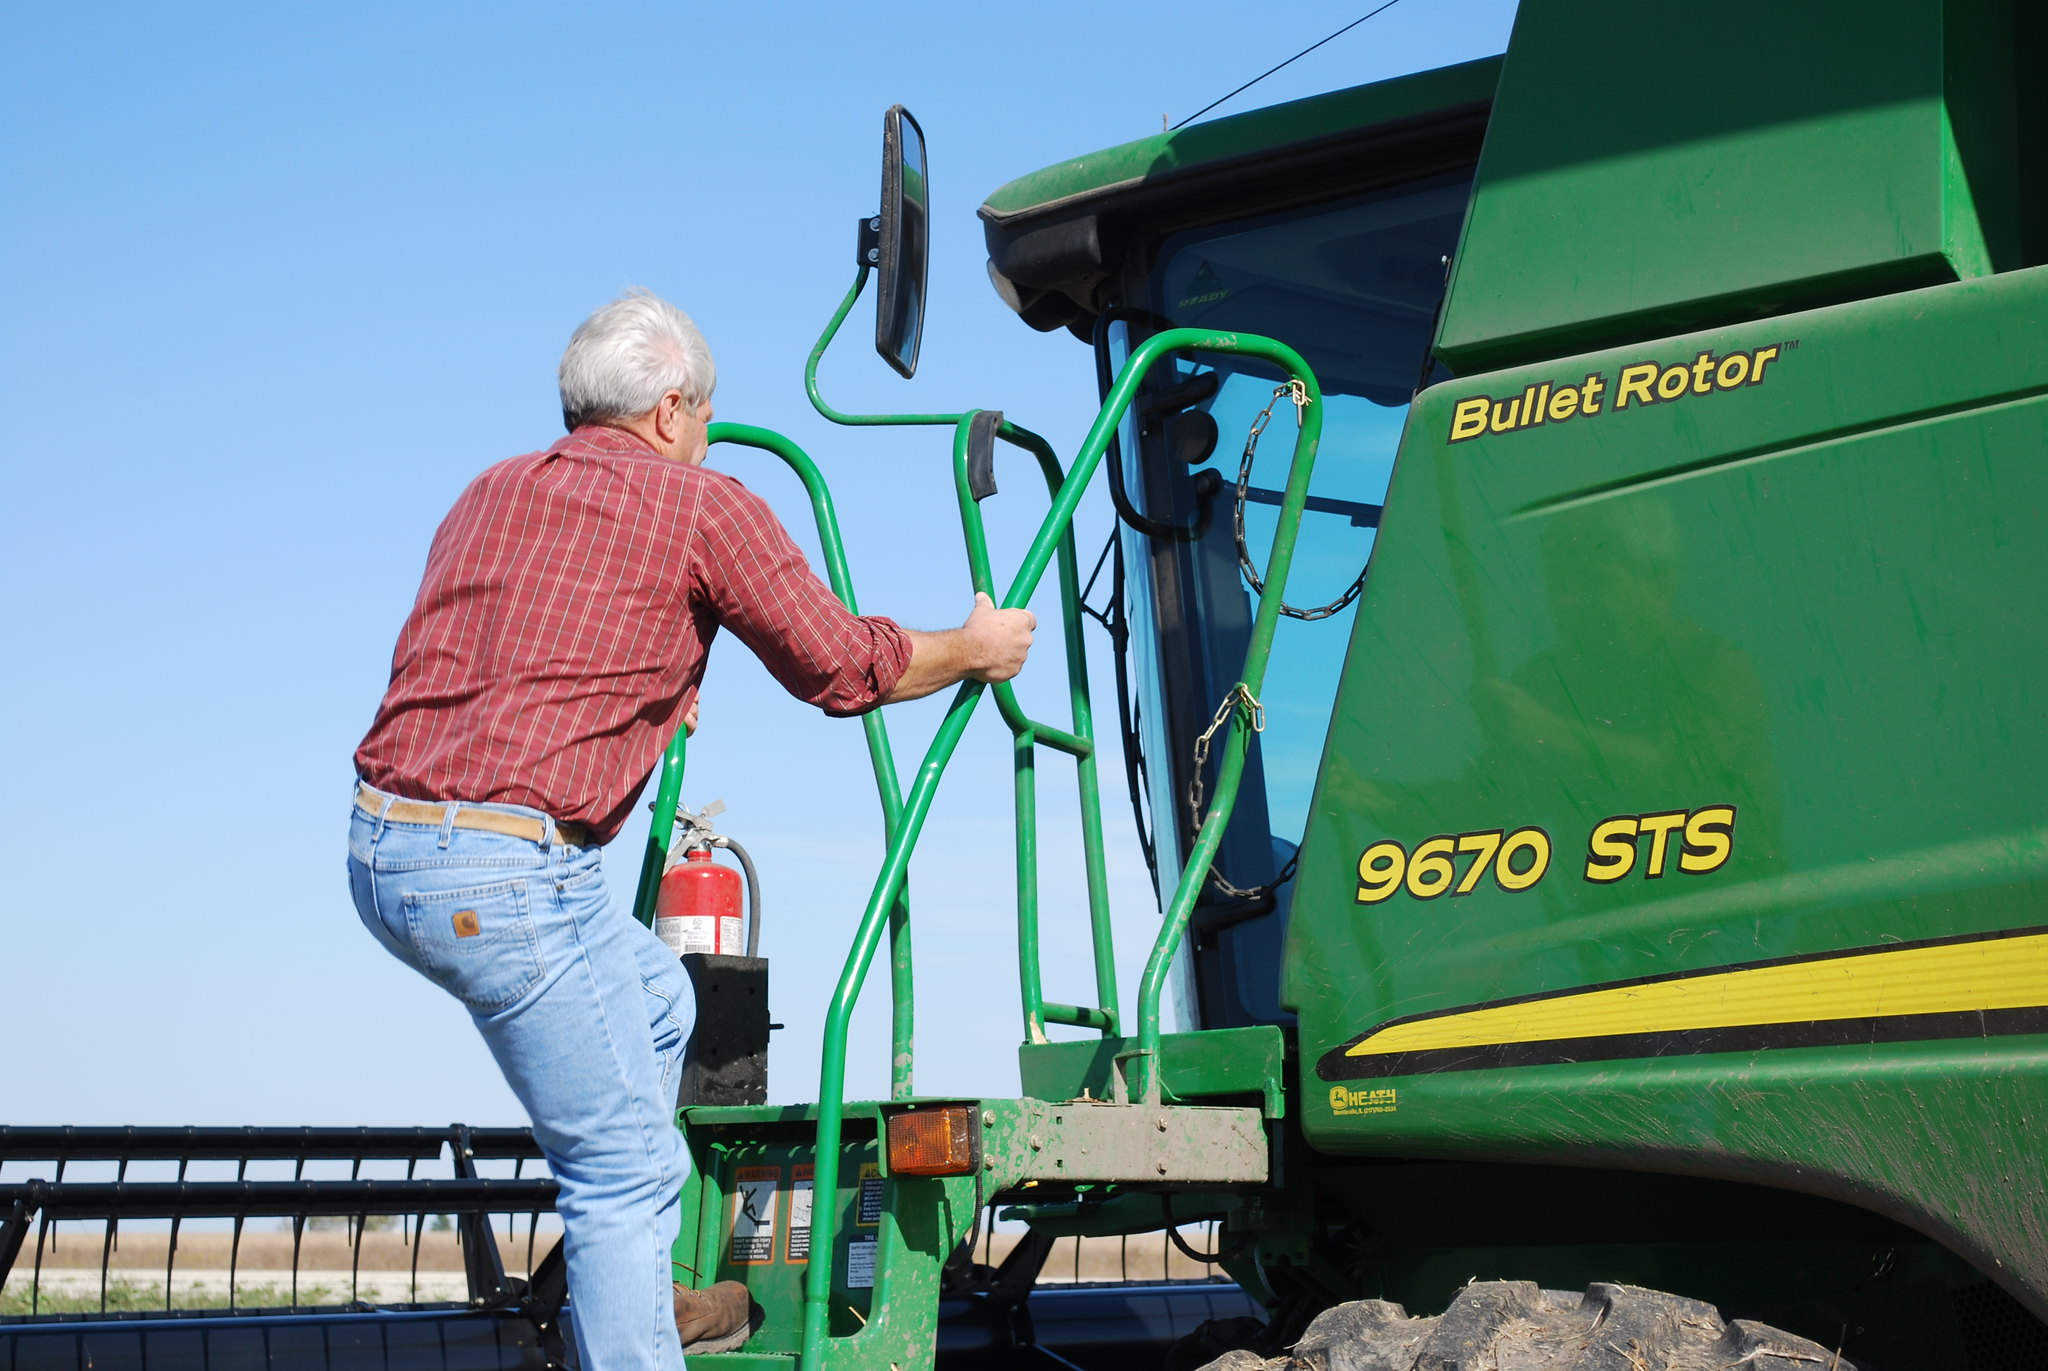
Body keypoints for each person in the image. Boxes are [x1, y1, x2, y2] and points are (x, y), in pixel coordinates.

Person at [346, 290, 1035, 1369]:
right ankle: (636, 1324)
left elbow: (498, 652)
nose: (709, 432)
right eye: (707, 414)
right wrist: (974, 646)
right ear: (672, 410)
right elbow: (839, 666)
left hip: (385, 846)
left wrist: (659, 682)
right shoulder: (704, 505)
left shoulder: (491, 490)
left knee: (662, 994)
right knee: (621, 1170)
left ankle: (644, 1299)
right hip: (506, 870)